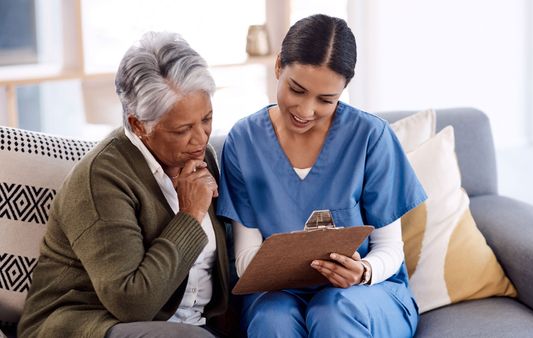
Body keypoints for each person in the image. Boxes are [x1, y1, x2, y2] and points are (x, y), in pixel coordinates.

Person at [217, 14, 427, 338]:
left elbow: (390, 249)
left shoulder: (371, 138)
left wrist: (362, 271)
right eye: (296, 89)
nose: (305, 110)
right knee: (272, 320)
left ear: (343, 91)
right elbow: (245, 257)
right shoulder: (244, 141)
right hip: (277, 296)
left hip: (363, 295)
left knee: (333, 311)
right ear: (278, 67)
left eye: (326, 100)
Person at [17, 32, 229, 338]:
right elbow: (132, 304)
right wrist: (189, 216)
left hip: (189, 326)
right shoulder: (100, 179)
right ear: (138, 125)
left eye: (207, 119)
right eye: (183, 129)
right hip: (88, 324)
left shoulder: (200, 157)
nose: (201, 138)